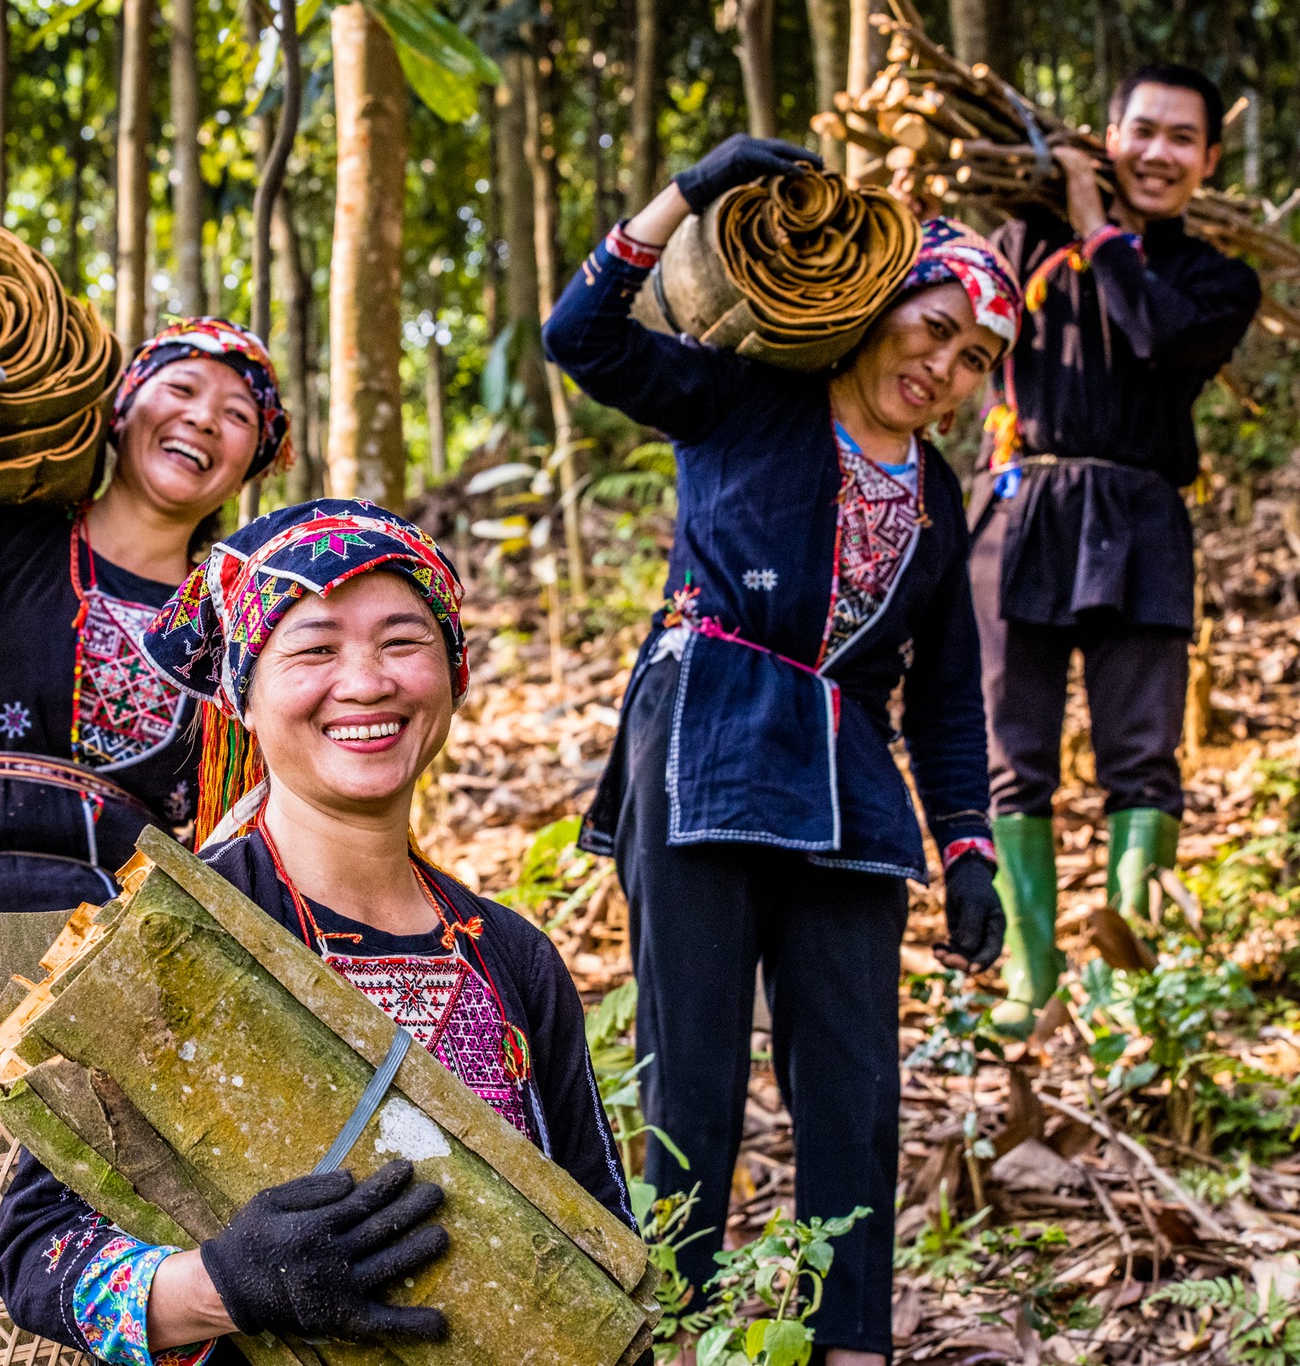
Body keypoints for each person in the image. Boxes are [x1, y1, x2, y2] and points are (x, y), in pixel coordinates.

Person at [544, 135, 1017, 1363]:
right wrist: (688, 191)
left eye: (973, 359)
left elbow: (944, 696)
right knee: (690, 1075)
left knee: (854, 1087)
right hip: (703, 737)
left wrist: (968, 849)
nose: (943, 366)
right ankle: (681, 1329)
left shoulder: (939, 496)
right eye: (932, 327)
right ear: (876, 309)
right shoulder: (745, 397)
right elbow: (578, 337)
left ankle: (851, 1341)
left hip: (849, 783)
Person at [0, 500, 637, 1365]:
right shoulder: (169, 941)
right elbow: (37, 1254)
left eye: (402, 641)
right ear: (245, 699)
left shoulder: (511, 957)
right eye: (315, 649)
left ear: (454, 676)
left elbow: (603, 1241)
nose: (366, 682)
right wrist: (226, 1285)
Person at [0, 318, 293, 1059]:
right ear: (122, 411)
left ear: (254, 462)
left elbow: (239, 831)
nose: (204, 418)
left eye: (237, 414)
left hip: (115, 944)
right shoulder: (8, 530)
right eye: (181, 388)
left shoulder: (234, 631)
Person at [969, 64, 1261, 1036]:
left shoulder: (1217, 280)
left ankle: (1135, 987)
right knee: (1012, 754)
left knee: (1142, 757)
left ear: (1207, 160)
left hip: (1142, 518)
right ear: (1107, 136)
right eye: (1143, 130)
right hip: (1022, 503)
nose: (1158, 153)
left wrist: (1099, 226)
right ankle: (1030, 979)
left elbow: (1153, 337)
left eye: (1182, 139)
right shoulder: (1021, 243)